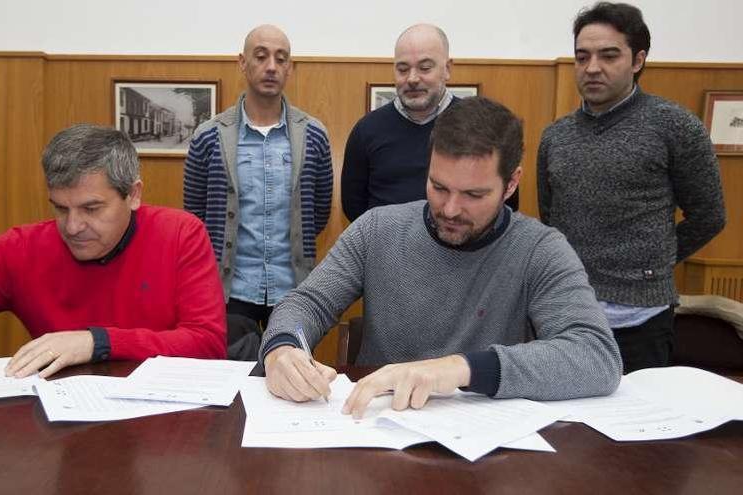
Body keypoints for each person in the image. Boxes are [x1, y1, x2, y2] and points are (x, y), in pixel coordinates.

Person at [262, 97, 622, 417]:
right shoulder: (377, 230)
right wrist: (283, 348)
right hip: (380, 426)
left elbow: (596, 356)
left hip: (486, 440)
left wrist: (461, 369)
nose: (450, 209)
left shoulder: (539, 249)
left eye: (473, 194)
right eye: (439, 187)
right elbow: (306, 304)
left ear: (511, 183)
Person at [0, 124, 227, 385]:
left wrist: (97, 342)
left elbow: (208, 343)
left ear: (133, 195)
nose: (73, 226)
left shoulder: (181, 233)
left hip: (164, 430)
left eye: (92, 208)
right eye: (61, 209)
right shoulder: (21, 249)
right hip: (60, 430)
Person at [537, 2, 726, 373]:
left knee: (639, 427)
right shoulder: (555, 137)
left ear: (637, 60)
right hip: (569, 315)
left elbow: (709, 215)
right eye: (582, 56)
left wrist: (655, 261)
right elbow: (551, 218)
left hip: (642, 323)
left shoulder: (675, 126)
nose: (592, 68)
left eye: (609, 56)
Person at [184, 25, 333, 347]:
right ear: (242, 62)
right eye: (261, 56)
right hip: (229, 291)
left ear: (290, 67)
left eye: (281, 59)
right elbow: (194, 214)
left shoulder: (314, 134)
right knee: (232, 384)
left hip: (293, 289)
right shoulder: (209, 136)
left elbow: (318, 213)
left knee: (292, 382)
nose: (271, 67)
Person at [341, 24, 517, 223]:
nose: (413, 78)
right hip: (387, 250)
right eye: (403, 69)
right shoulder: (367, 130)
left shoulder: (483, 125)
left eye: (425, 68)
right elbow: (353, 206)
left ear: (447, 69)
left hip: (465, 250)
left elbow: (505, 203)